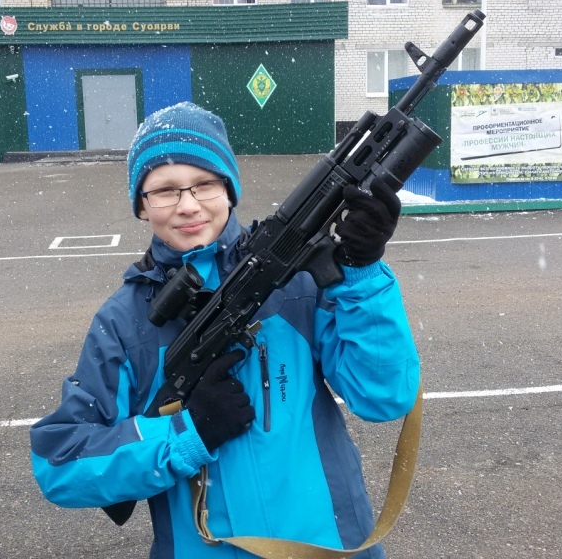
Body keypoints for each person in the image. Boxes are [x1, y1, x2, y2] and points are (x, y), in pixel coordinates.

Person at [30, 101, 420, 559]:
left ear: (230, 190)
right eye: (165, 190)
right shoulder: (123, 321)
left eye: (205, 184)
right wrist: (186, 433)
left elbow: (384, 397)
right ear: (141, 205)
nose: (189, 205)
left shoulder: (296, 282)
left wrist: (362, 272)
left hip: (330, 545)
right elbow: (59, 463)